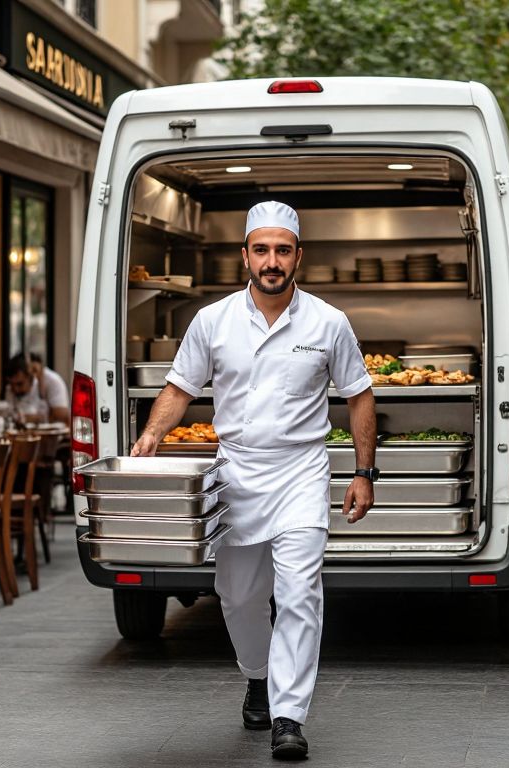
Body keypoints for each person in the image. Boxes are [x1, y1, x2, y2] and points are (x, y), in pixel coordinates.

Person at [129, 201, 377, 761]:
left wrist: (364, 472)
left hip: (300, 472)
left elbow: (360, 394)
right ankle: (258, 675)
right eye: (261, 250)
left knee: (299, 594)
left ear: (298, 257)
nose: (272, 261)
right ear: (244, 255)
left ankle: (289, 716)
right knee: (238, 596)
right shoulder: (212, 321)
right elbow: (179, 388)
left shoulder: (327, 322)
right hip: (235, 470)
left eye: (282, 250)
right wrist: (151, 437)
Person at [26, 353, 71, 423]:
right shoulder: (34, 382)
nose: (32, 374)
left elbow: (61, 414)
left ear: (40, 364)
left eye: (34, 369)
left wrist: (36, 418)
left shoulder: (53, 380)